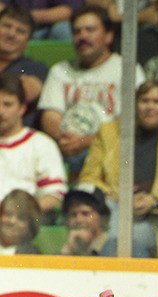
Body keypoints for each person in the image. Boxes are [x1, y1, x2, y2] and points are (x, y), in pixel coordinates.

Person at [79, 79, 158, 258]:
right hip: (113, 209)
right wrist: (121, 199)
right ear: (134, 105)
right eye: (144, 101)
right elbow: (89, 177)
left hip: (154, 218)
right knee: (122, 234)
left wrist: (153, 201)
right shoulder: (109, 132)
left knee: (125, 240)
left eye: (156, 102)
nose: (150, 107)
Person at [38, 4, 145, 176]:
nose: (83, 36)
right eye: (77, 31)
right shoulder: (60, 71)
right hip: (66, 148)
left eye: (90, 30)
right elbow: (50, 115)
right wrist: (65, 139)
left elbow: (129, 121)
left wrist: (86, 142)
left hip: (108, 149)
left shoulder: (127, 69)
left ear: (109, 36)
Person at [0, 73, 67, 218]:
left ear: (22, 108)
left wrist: (21, 213)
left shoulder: (41, 144)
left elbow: (55, 195)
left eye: (7, 104)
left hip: (25, 226)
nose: (1, 111)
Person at [0, 4, 49, 126]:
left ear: (28, 41)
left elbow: (24, 93)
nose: (11, 34)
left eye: (20, 31)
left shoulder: (36, 68)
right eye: (7, 26)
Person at [59, 182, 114, 256]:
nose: (79, 220)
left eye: (85, 213)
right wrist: (68, 249)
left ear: (102, 217)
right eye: (73, 214)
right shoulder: (66, 247)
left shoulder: (114, 247)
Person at [6, 1, 83, 41]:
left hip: (49, 28)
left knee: (63, 29)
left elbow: (69, 11)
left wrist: (28, 16)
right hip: (17, 25)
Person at [0, 188, 41, 254]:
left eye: (21, 218)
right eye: (8, 214)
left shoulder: (32, 255)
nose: (12, 221)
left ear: (31, 224)